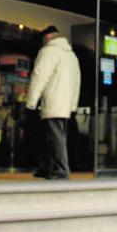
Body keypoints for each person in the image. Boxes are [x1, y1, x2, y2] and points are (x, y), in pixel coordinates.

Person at [26, 25, 81, 179]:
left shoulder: (48, 52)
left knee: (54, 137)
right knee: (52, 137)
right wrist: (72, 105)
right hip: (65, 105)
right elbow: (77, 82)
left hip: (52, 102)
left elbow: (39, 76)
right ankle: (47, 168)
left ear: (46, 38)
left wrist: (31, 102)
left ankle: (61, 170)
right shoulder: (71, 56)